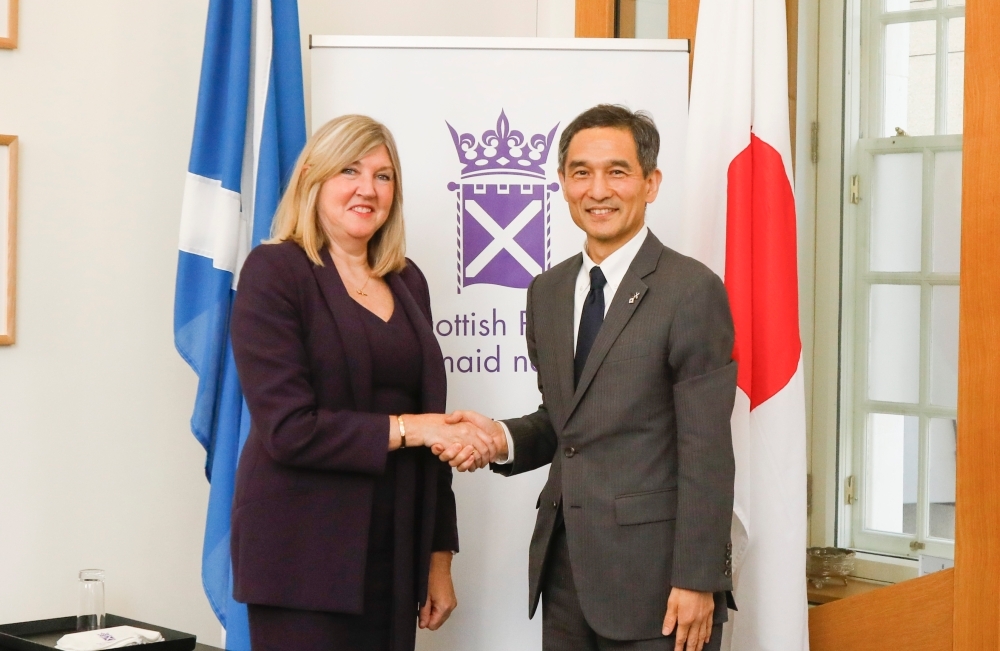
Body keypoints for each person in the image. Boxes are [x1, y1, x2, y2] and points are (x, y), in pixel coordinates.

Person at [441, 105, 738, 651]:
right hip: (565, 574)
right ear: (562, 183)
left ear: (651, 183)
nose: (598, 190)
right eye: (581, 172)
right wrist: (499, 439)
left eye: (617, 172)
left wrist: (699, 579)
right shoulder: (547, 292)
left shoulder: (692, 290)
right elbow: (567, 421)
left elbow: (708, 450)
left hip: (660, 586)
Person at [229, 114, 495, 651]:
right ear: (312, 176)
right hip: (302, 558)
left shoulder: (408, 280)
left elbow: (432, 427)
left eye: (383, 175)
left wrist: (438, 557)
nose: (367, 189)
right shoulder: (274, 271)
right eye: (349, 170)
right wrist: (411, 428)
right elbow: (289, 429)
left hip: (395, 551)